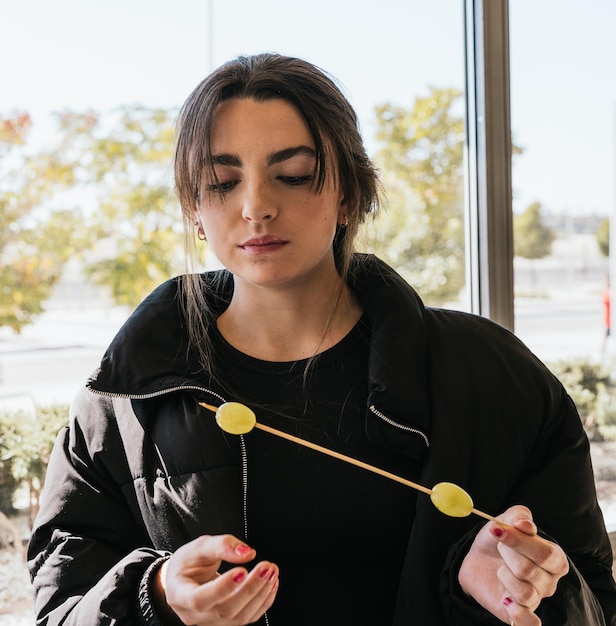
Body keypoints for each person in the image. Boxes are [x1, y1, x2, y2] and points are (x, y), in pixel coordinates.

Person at [28, 52, 616, 626]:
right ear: (195, 210)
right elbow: (63, 595)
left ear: (348, 195)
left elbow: (592, 594)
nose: (257, 206)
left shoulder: (492, 374)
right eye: (222, 181)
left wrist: (509, 594)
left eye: (294, 175)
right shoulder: (125, 399)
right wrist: (157, 598)